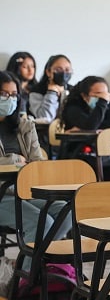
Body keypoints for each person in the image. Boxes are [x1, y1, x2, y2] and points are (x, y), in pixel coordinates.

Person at [0, 71, 71, 260]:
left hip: (24, 191)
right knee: (42, 222)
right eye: (4, 94)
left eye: (14, 94)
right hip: (2, 194)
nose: (10, 99)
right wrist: (15, 160)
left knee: (66, 212)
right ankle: (28, 274)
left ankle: (30, 268)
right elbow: (23, 162)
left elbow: (37, 163)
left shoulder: (25, 126)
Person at [28, 54, 73, 121]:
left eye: (67, 70)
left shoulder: (73, 91)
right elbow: (45, 118)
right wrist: (52, 93)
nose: (63, 73)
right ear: (48, 72)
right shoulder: (37, 91)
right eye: (58, 69)